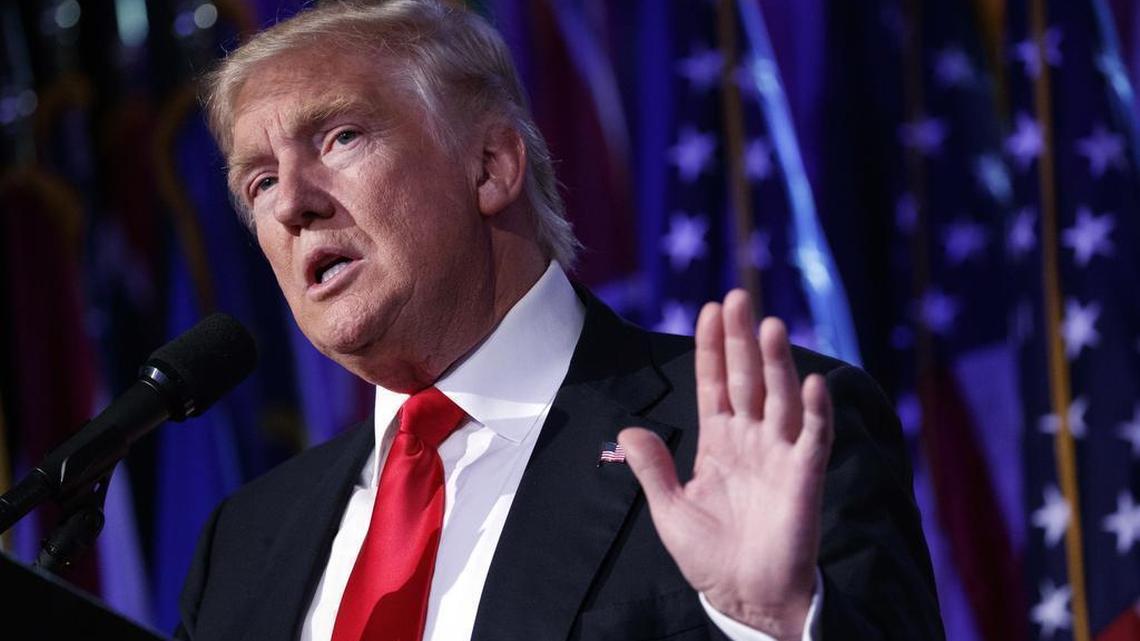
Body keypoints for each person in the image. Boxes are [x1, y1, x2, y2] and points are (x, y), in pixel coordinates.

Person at [177, 1, 944, 640]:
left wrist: (774, 622)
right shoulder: (242, 547)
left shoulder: (753, 433)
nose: (291, 203)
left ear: (491, 167)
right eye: (261, 180)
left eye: (341, 136)